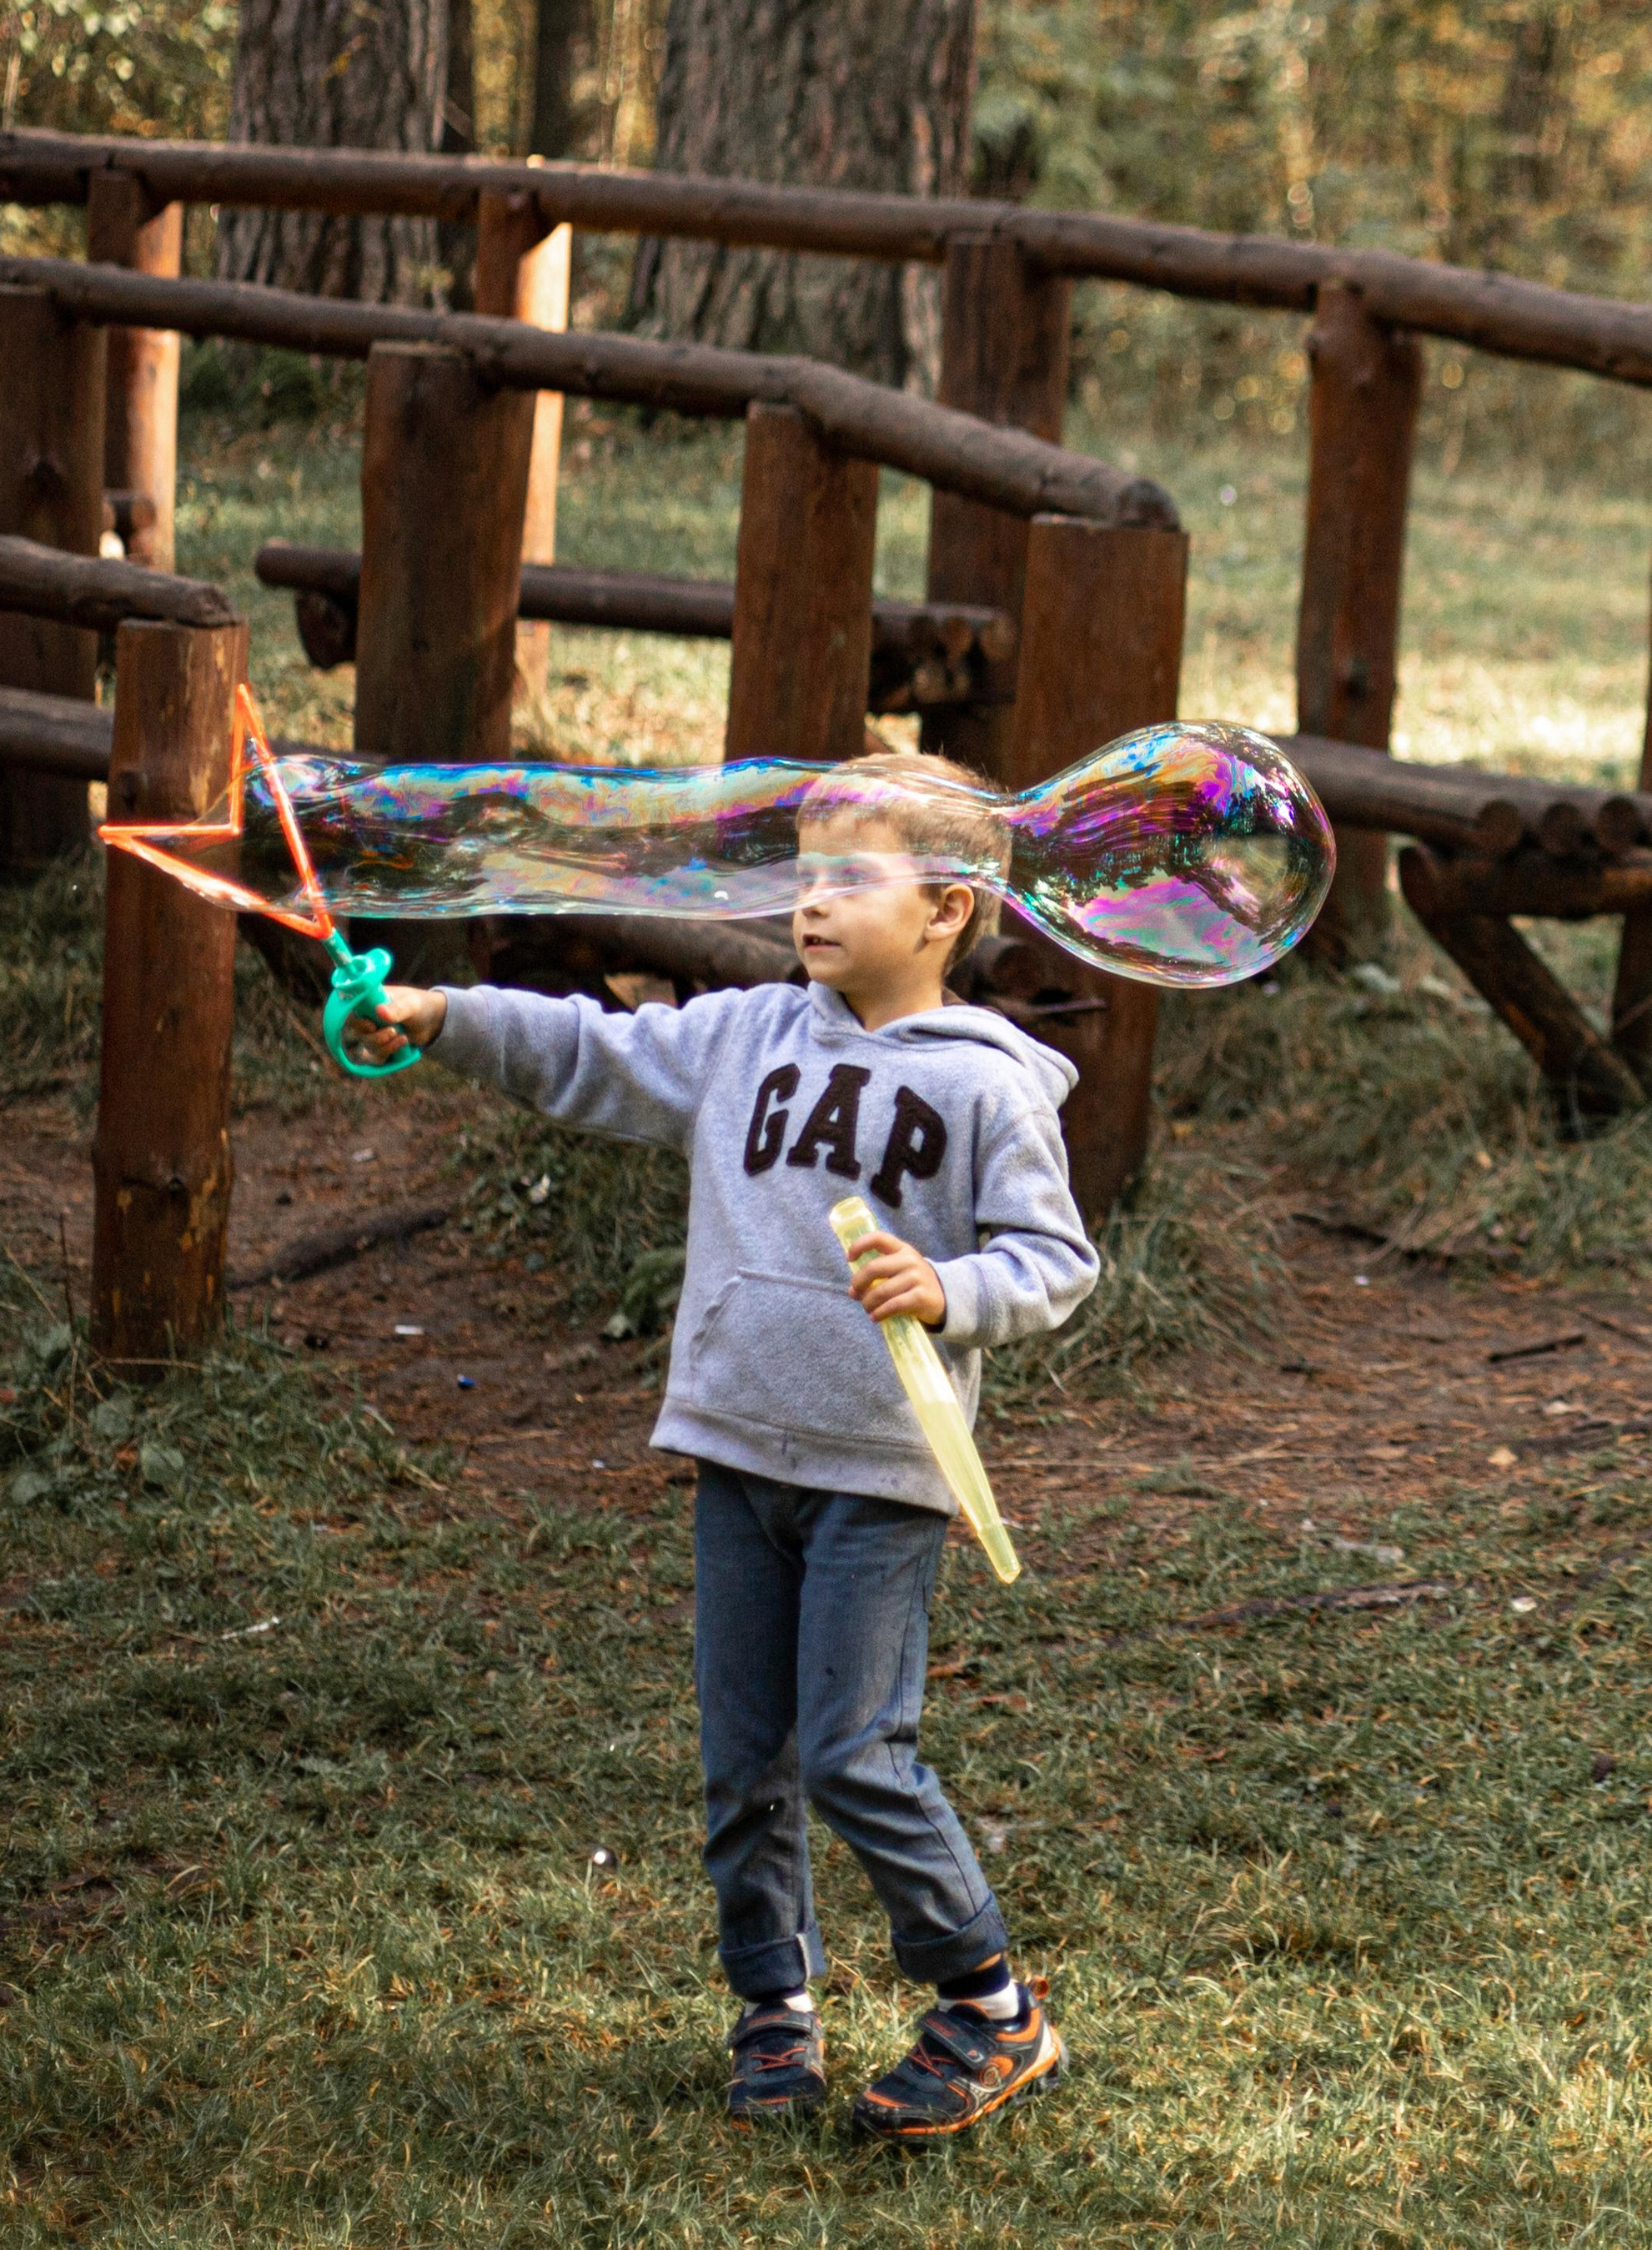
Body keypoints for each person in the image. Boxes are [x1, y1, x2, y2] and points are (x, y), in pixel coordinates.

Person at [353, 749, 1099, 2145]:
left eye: (848, 879)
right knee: (741, 1761)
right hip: (739, 1458)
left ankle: (994, 2007)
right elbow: (586, 1049)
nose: (809, 905)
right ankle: (774, 2009)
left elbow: (1057, 1263)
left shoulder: (994, 1090)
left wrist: (951, 1291)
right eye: (801, 876)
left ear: (945, 911)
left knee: (854, 1756)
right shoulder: (748, 1033)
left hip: (880, 1477)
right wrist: (442, 1012)